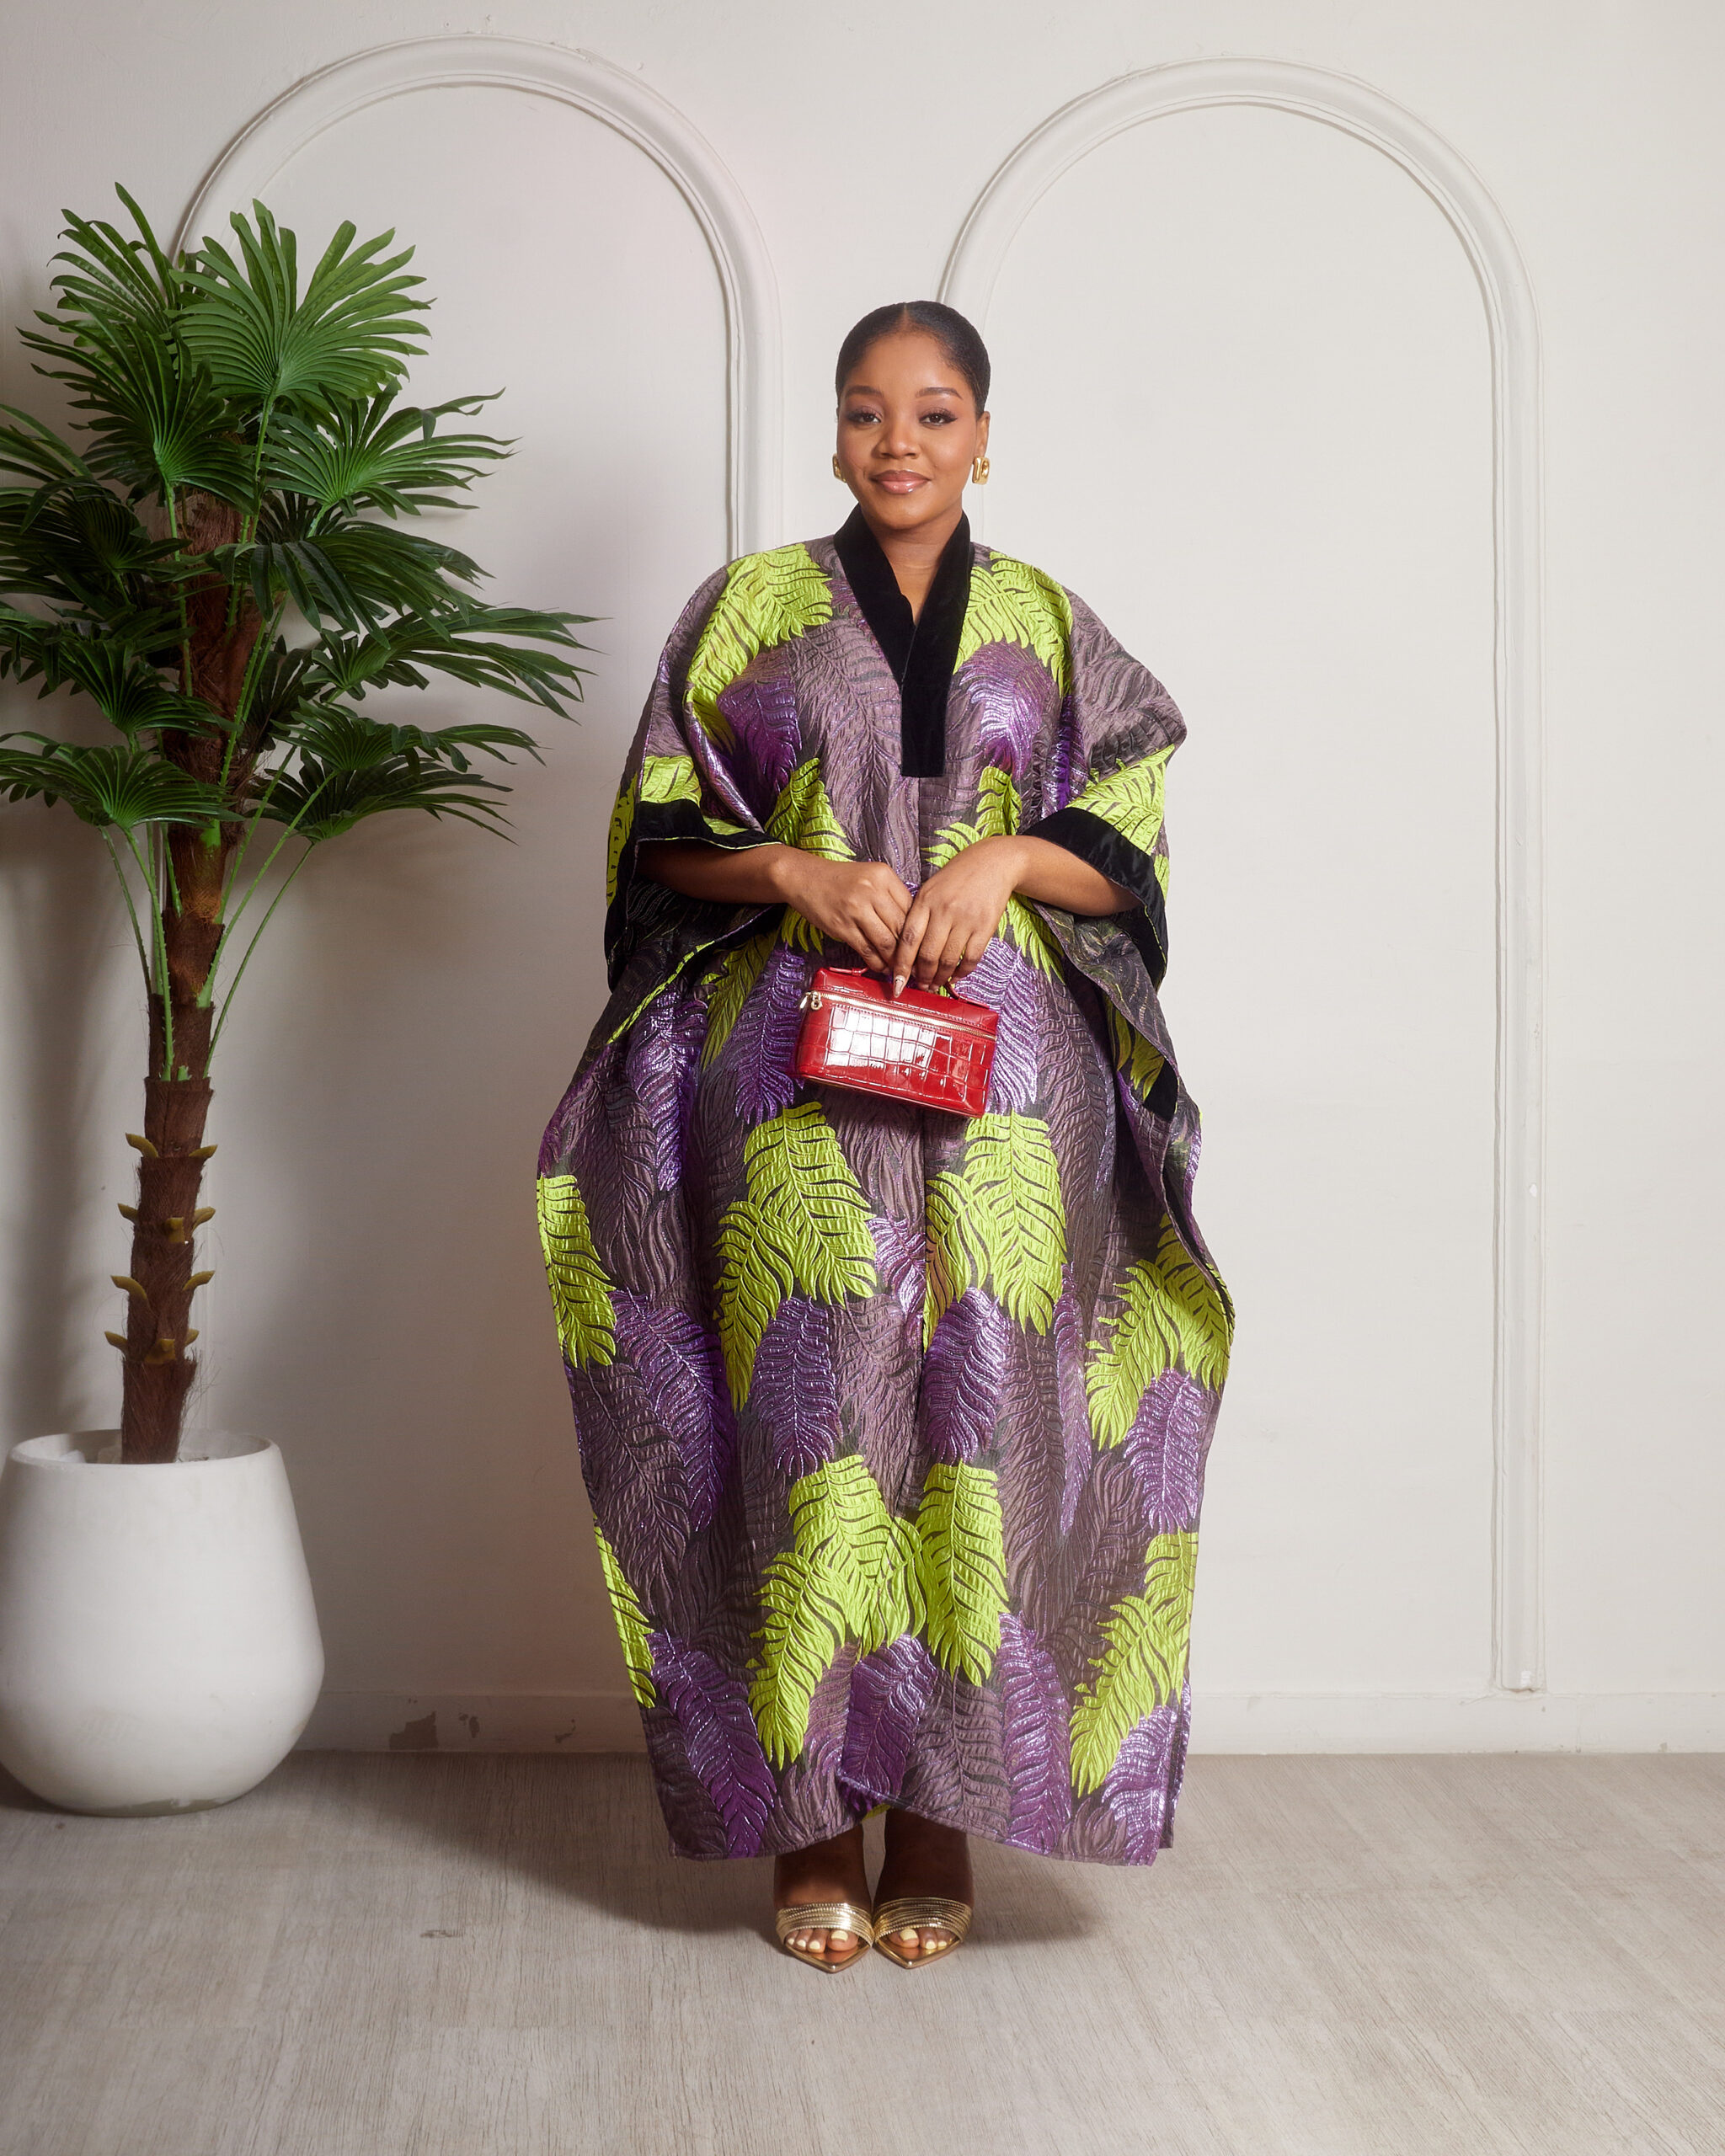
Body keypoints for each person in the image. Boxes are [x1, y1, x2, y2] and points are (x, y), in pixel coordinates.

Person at [537, 302, 1233, 1973]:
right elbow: (658, 837)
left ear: (984, 434)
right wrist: (794, 867)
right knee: (809, 1431)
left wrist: (1003, 861)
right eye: (867, 410)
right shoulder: (749, 612)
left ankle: (936, 1816)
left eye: (932, 411)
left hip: (1007, 1114)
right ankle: (807, 1823)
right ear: (836, 432)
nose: (898, 441)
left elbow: (1125, 838)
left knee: (984, 1433)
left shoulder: (1047, 625)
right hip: (795, 1107)